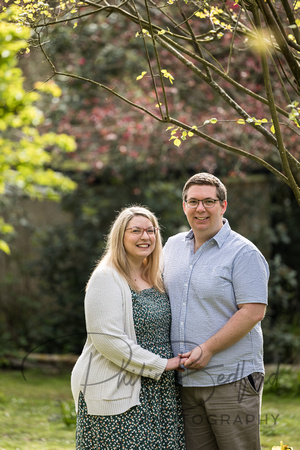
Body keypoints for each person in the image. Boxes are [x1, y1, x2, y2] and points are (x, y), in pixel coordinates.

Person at [163, 173, 269, 450]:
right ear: (183, 205)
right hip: (185, 379)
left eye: (209, 201)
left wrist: (207, 348)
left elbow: (253, 311)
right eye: (193, 201)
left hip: (230, 377)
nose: (201, 209)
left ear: (223, 206)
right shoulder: (171, 247)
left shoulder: (244, 253)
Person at [71, 206, 186, 449]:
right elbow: (108, 341)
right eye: (136, 231)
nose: (145, 237)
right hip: (117, 388)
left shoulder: (156, 276)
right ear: (120, 236)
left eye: (150, 231)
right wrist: (164, 364)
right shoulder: (106, 277)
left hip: (160, 389)